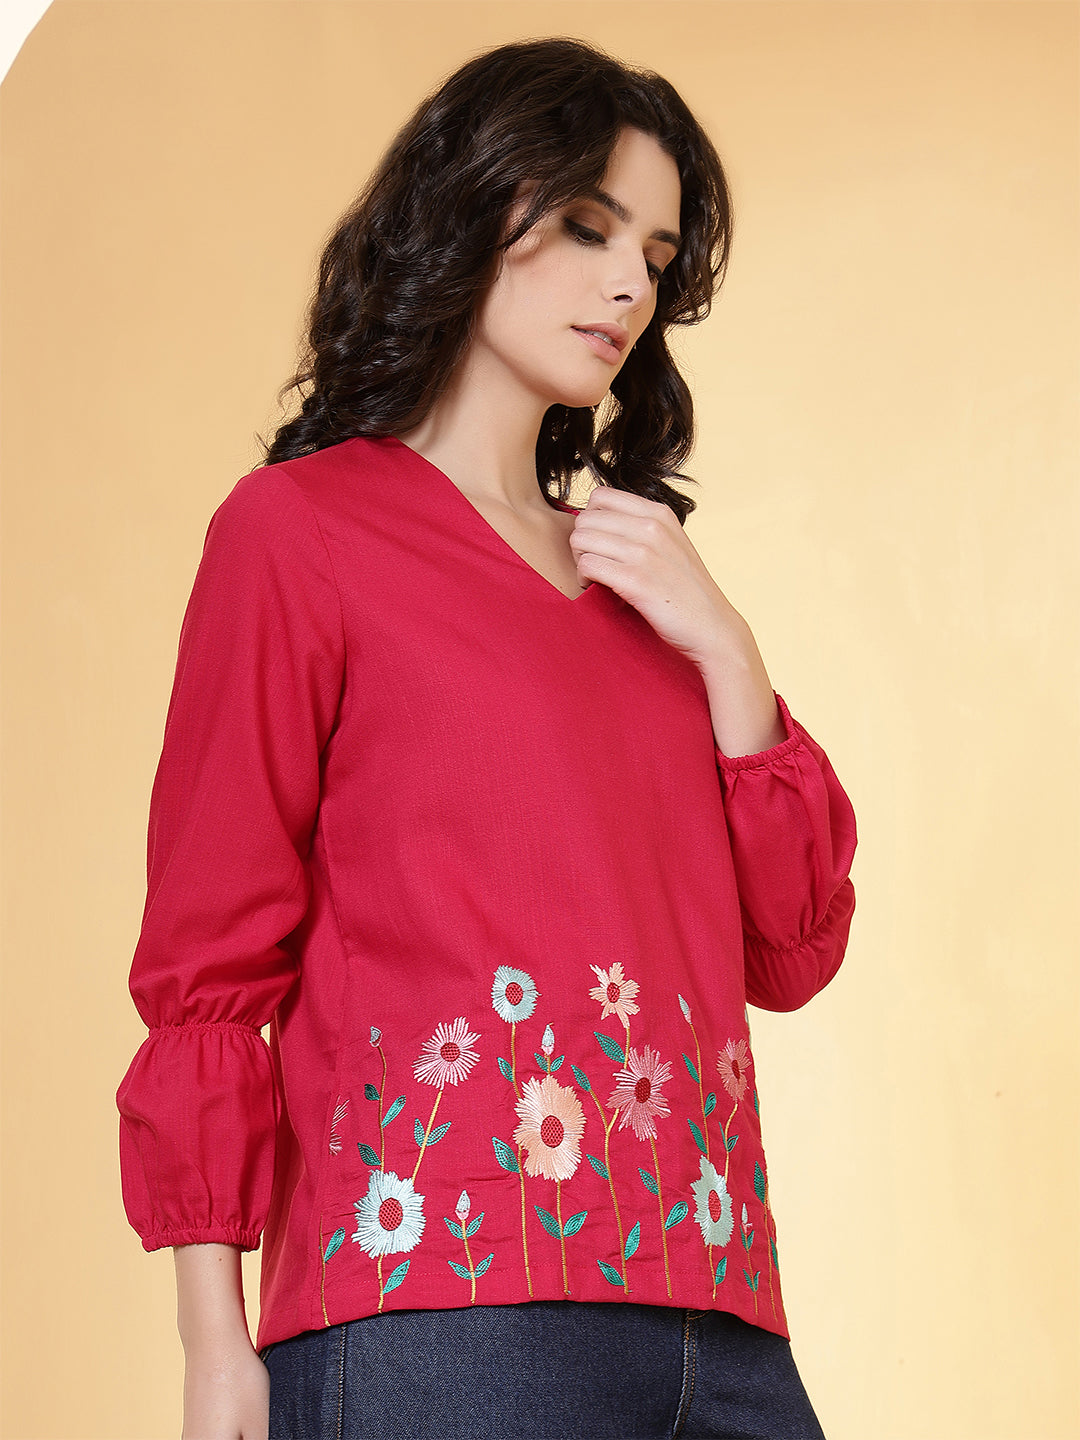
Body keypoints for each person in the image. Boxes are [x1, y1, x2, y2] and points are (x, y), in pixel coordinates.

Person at [117, 36, 856, 1440]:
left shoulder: (649, 586)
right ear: (469, 206)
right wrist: (218, 1349)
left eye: (655, 254)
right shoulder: (300, 535)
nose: (629, 284)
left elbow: (791, 947)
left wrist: (730, 653)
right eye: (585, 227)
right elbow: (207, 969)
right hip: (439, 1315)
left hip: (722, 1324)